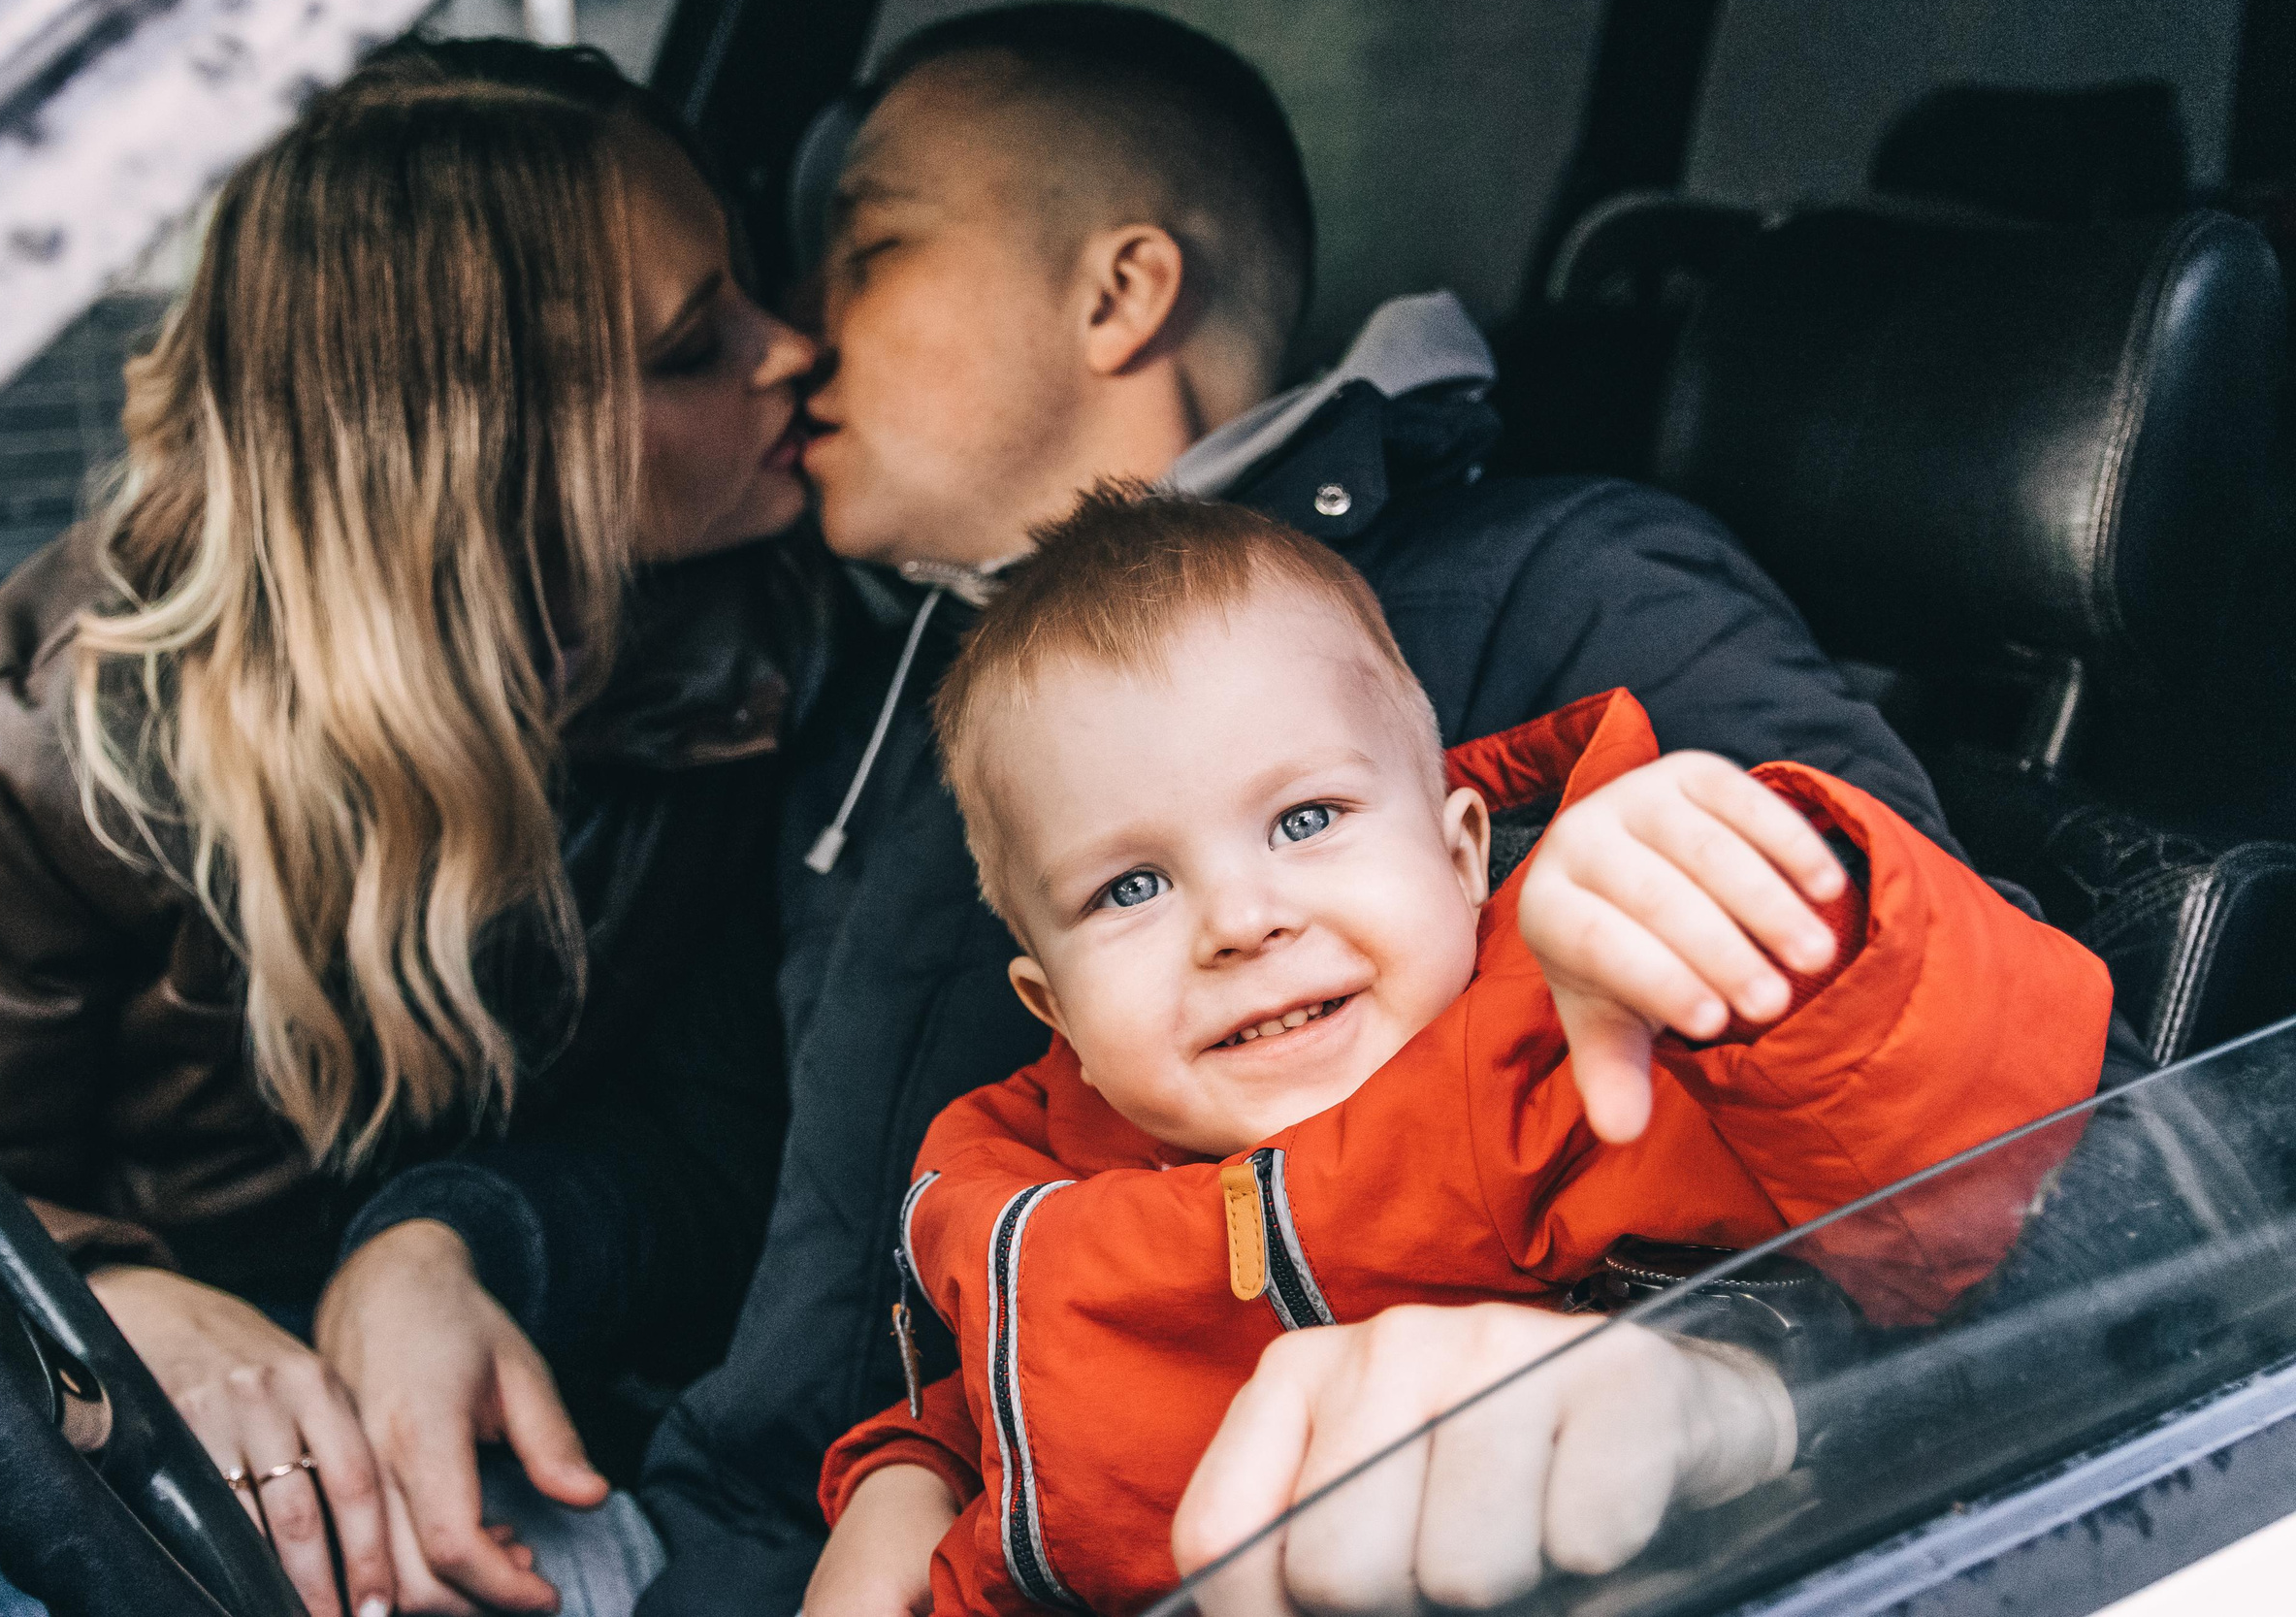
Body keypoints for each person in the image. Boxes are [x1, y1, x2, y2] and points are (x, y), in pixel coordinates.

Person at [328, 2, 1978, 1617]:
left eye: (869, 247)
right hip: (742, 1533)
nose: (799, 330)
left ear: (1122, 292)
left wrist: (1706, 1384)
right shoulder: (896, 691)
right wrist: (457, 1248)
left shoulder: (1560, 592)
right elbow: (730, 1147)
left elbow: (2016, 1134)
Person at [0, 37, 821, 1617]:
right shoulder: (52, 731)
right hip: (106, 1411)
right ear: (481, 440)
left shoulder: (752, 661)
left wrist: (454, 1242)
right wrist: (118, 1298)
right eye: (697, 347)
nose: (793, 350)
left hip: (513, 1371)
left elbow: (725, 1147)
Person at [799, 492, 2109, 1615]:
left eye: (1305, 818)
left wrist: (1759, 930)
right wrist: (901, 1478)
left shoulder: (1574, 1052)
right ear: (1054, 1003)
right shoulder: (1004, 1170)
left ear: (1462, 850)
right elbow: (1005, 1401)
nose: (1241, 921)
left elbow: (1955, 1173)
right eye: (1130, 890)